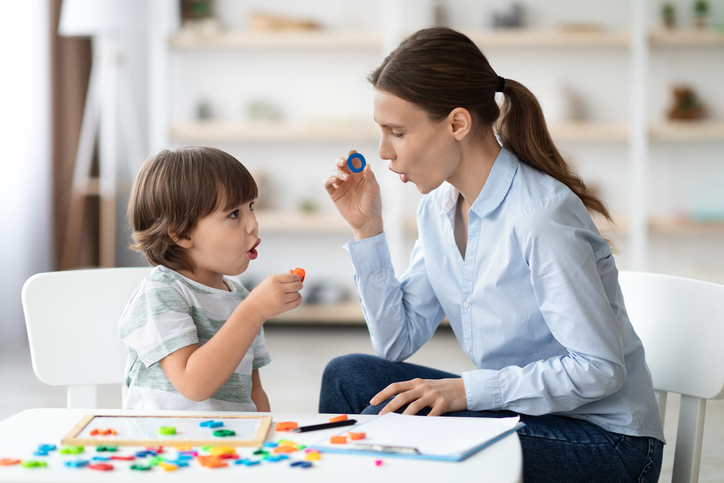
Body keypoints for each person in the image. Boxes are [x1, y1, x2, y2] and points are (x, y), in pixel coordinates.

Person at [320, 27, 664, 482]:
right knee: (347, 377)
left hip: (608, 444)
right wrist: (367, 230)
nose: (384, 152)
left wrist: (467, 390)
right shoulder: (438, 210)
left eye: (397, 132)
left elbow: (599, 370)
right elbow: (396, 341)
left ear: (458, 124)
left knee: (395, 424)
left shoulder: (542, 215)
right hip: (529, 418)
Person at [119, 146, 303, 411]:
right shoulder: (160, 293)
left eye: (251, 207)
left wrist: (266, 439)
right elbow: (193, 384)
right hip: (165, 447)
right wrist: (253, 312)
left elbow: (254, 390)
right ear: (182, 234)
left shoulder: (240, 297)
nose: (253, 223)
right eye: (233, 214)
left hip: (229, 447)